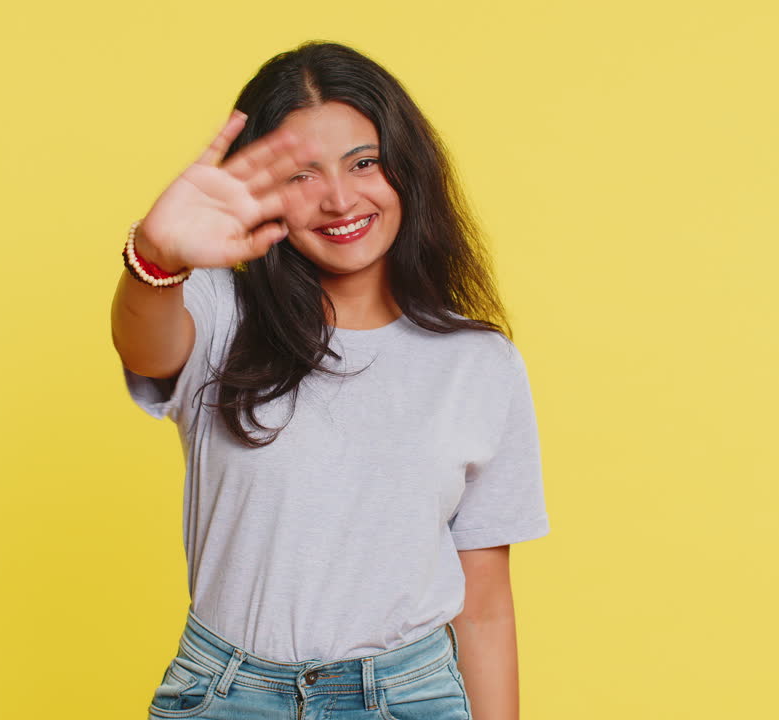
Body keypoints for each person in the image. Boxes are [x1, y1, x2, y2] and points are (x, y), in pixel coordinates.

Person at [110, 41, 550, 720]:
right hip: (228, 695)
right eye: (301, 175)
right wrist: (155, 257)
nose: (340, 197)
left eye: (364, 163)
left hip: (410, 697)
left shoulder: (478, 363)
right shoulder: (216, 309)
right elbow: (145, 342)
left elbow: (485, 604)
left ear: (407, 169)